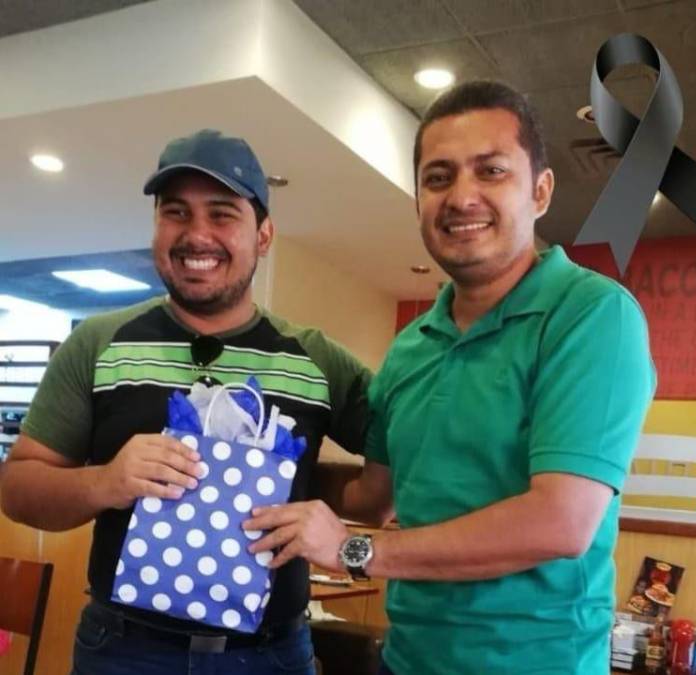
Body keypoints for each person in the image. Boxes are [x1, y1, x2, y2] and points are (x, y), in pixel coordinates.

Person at [244, 81, 657, 674]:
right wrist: (264, 472)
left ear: (540, 191)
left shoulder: (592, 315)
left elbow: (560, 522)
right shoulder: (410, 347)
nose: (462, 197)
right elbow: (374, 497)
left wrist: (353, 550)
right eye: (438, 178)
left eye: (491, 171)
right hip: (406, 660)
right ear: (418, 201)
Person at [0, 129, 373, 675]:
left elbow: (407, 458)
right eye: (176, 212)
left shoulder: (317, 360)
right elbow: (17, 488)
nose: (197, 235)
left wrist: (321, 497)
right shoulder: (99, 344)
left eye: (222, 214)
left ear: (263, 235)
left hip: (270, 657)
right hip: (123, 652)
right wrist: (105, 482)